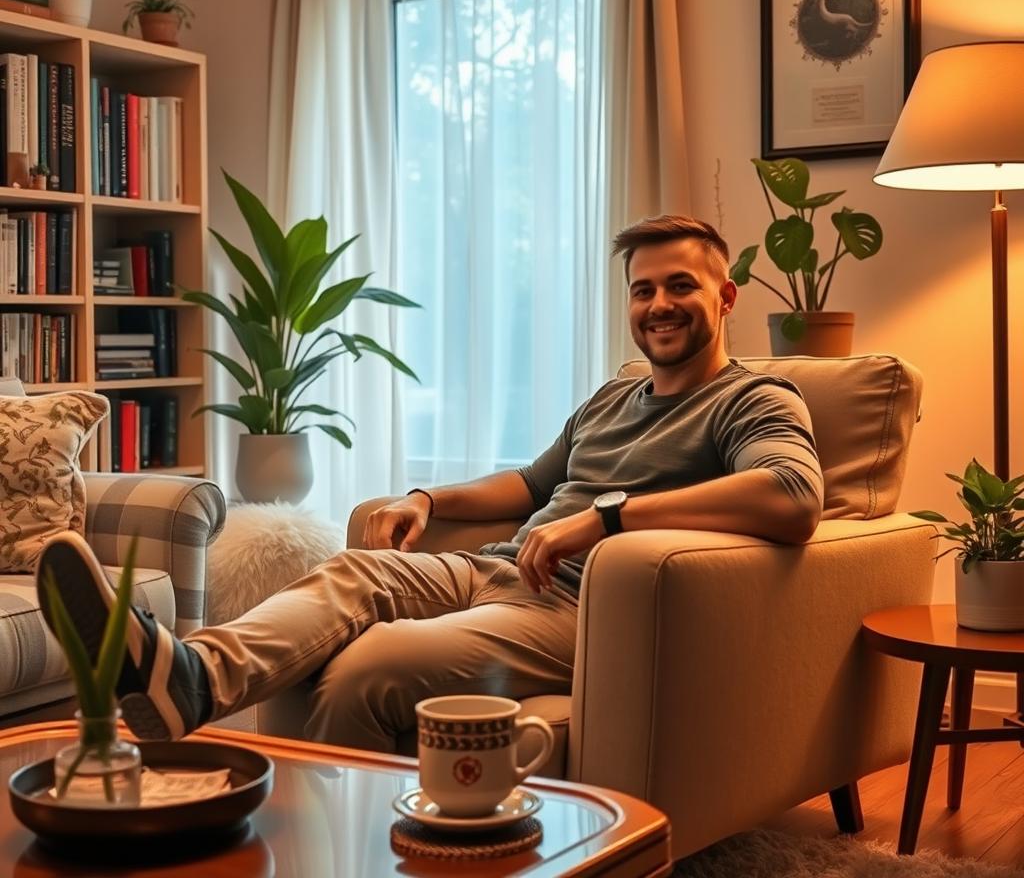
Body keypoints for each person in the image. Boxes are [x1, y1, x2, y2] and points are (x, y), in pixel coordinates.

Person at [36, 215, 824, 749]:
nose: (659, 305)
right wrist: (426, 499)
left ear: (724, 296)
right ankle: (191, 677)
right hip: (499, 569)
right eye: (644, 288)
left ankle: (347, 852)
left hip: (590, 604)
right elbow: (525, 483)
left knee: (371, 665)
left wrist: (606, 520)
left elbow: (792, 497)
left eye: (681, 286)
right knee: (348, 575)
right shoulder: (616, 393)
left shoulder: (754, 398)